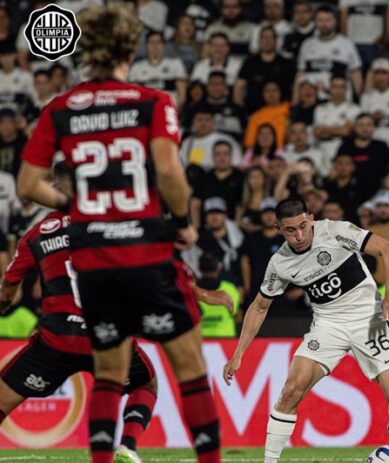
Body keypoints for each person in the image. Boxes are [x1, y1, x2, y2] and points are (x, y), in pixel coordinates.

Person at [15, 6, 220, 463]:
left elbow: (28, 186)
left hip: (94, 260)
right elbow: (169, 171)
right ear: (131, 47)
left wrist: (80, 208)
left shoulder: (61, 108)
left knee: (108, 373)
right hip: (147, 251)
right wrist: (183, 222)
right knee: (189, 370)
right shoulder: (153, 101)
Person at [223, 198, 389, 463]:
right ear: (278, 229)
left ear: (311, 218)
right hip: (328, 325)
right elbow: (258, 307)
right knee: (291, 390)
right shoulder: (280, 263)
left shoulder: (337, 231)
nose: (299, 235)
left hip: (369, 319)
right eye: (290, 230)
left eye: (303, 226)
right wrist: (239, 353)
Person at [0, 164, 158, 463]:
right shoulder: (114, 223)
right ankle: (127, 446)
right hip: (106, 336)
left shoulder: (36, 233)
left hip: (58, 339)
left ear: (56, 187)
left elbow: (7, 292)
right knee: (146, 384)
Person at [296, 5, 363, 99]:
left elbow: (355, 72)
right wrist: (295, 99)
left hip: (339, 100)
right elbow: (301, 73)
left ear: (335, 21)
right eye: (320, 20)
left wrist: (358, 97)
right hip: (313, 100)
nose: (324, 24)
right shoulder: (307, 44)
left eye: (328, 20)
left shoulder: (347, 44)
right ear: (315, 22)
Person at [336, 113, 389, 199]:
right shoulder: (345, 147)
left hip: (377, 191)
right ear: (355, 128)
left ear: (374, 127)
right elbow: (335, 167)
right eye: (361, 125)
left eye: (369, 125)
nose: (365, 128)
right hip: (350, 192)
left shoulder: (381, 146)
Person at [234, 26, 295, 113]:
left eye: (270, 37)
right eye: (264, 37)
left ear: (276, 41)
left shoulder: (286, 64)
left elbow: (294, 88)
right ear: (259, 41)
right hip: (254, 112)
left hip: (281, 113)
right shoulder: (250, 62)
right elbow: (239, 87)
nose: (267, 41)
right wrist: (240, 110)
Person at [191, 140, 245, 229]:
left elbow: (241, 204)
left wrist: (236, 228)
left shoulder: (240, 178)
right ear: (213, 156)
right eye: (218, 154)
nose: (222, 158)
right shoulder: (204, 178)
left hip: (232, 229)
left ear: (231, 156)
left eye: (225, 154)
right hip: (206, 229)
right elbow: (195, 203)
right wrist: (196, 227)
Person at [128, 31, 188, 106]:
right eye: (152, 42)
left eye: (158, 42)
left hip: (169, 110)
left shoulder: (175, 64)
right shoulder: (136, 67)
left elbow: (182, 96)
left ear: (163, 45)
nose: (155, 46)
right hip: (146, 111)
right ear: (146, 46)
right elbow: (134, 95)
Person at [313, 75, 361, 164]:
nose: (338, 91)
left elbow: (347, 132)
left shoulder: (355, 109)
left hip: (345, 152)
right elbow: (318, 132)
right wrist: (339, 129)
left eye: (341, 87)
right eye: (334, 87)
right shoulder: (320, 109)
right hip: (323, 150)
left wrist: (326, 129)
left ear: (346, 89)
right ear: (329, 88)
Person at [197, 253, 243, 338]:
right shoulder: (230, 289)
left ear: (198, 268)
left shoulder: (192, 290)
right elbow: (238, 317)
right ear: (218, 268)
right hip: (226, 338)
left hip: (199, 339)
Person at [243, 81, 291, 149]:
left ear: (280, 92)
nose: (271, 93)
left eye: (275, 90)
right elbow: (250, 143)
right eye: (267, 91)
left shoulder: (289, 109)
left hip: (287, 151)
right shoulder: (256, 116)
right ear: (262, 94)